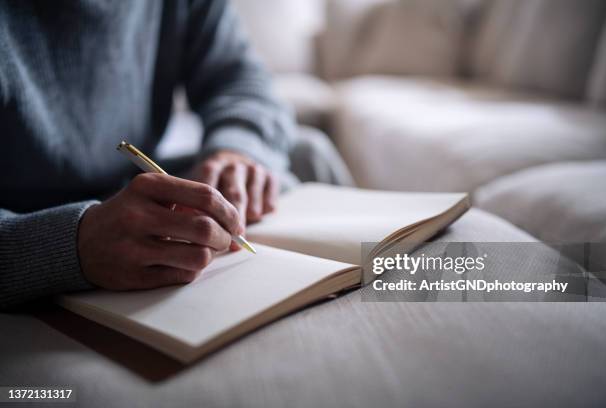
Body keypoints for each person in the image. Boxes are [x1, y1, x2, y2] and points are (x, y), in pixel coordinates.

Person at [0, 0, 351, 309]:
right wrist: (72, 245)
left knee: (308, 153)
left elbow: (239, 78)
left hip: (125, 190)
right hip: (25, 224)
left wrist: (236, 151)